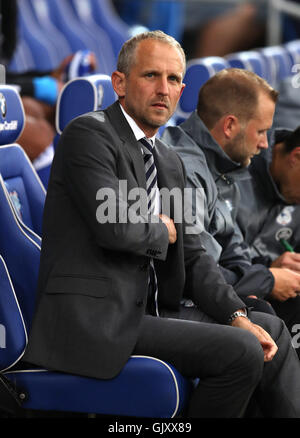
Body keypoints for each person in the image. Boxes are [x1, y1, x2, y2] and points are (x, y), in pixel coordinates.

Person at [23, 31, 300, 418]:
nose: (163, 89)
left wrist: (235, 315)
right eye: (150, 75)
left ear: (182, 89)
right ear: (120, 82)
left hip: (153, 309)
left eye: (172, 80)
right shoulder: (89, 134)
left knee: (266, 330)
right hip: (98, 318)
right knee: (241, 353)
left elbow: (193, 255)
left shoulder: (168, 159)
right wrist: (163, 231)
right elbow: (116, 228)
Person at [162, 68, 300, 343]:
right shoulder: (188, 169)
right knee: (263, 325)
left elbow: (233, 251)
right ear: (229, 126)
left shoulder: (224, 167)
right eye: (261, 131)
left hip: (222, 293)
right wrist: (267, 279)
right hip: (180, 305)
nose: (265, 143)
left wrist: (265, 268)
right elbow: (199, 268)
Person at [236, 126, 300, 298]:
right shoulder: (236, 163)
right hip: (220, 297)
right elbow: (209, 263)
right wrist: (266, 274)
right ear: (296, 156)